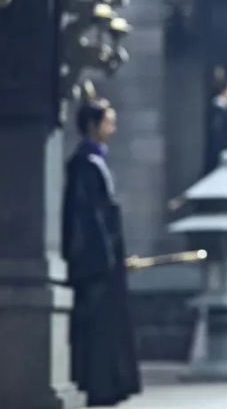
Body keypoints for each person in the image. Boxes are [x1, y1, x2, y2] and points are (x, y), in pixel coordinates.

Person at [62, 97, 141, 406]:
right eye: (108, 121)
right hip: (95, 264)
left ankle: (110, 386)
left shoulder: (96, 162)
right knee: (97, 330)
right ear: (93, 126)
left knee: (108, 327)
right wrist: (105, 261)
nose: (113, 128)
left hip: (106, 261)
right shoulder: (84, 164)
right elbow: (88, 220)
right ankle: (100, 387)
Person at [203, 77, 227, 174]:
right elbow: (217, 137)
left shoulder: (225, 110)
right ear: (226, 90)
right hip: (220, 162)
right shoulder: (218, 112)